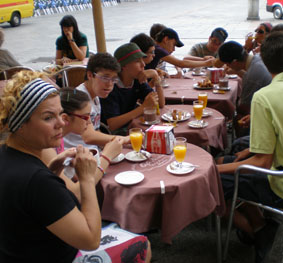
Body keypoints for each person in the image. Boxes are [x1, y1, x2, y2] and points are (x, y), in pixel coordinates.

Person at [0, 71, 152, 262]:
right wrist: (87, 179)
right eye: (48, 117)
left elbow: (34, 208)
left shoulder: (8, 155)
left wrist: (53, 172)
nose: (61, 123)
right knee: (141, 244)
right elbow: (90, 240)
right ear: (20, 124)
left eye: (60, 114)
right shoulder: (36, 180)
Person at [216, 32, 283, 262]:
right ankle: (260, 226)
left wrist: (213, 171)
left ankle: (258, 230)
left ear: (265, 62)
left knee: (212, 182)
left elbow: (261, 163)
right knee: (231, 159)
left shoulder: (264, 97)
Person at [64, 52, 129, 150]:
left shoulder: (95, 96)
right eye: (105, 78)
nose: (110, 84)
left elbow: (96, 130)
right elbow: (89, 137)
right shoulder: (81, 99)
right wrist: (124, 140)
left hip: (94, 151)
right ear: (90, 75)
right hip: (76, 156)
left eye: (114, 79)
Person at [101, 43, 165, 132]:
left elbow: (160, 104)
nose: (143, 65)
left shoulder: (137, 80)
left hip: (132, 127)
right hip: (113, 135)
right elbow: (112, 124)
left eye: (142, 60)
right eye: (137, 61)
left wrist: (156, 78)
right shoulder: (111, 86)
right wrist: (143, 107)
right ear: (123, 66)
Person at [218, 41, 272, 137]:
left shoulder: (253, 74)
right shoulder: (257, 58)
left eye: (227, 64)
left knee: (238, 117)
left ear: (234, 62)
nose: (227, 67)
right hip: (269, 102)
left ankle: (241, 144)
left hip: (267, 114)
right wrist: (238, 72)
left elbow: (244, 107)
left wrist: (228, 108)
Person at [144, 28, 214, 76]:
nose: (174, 49)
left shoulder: (157, 48)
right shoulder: (158, 49)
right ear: (166, 39)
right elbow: (181, 63)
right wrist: (206, 63)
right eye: (173, 45)